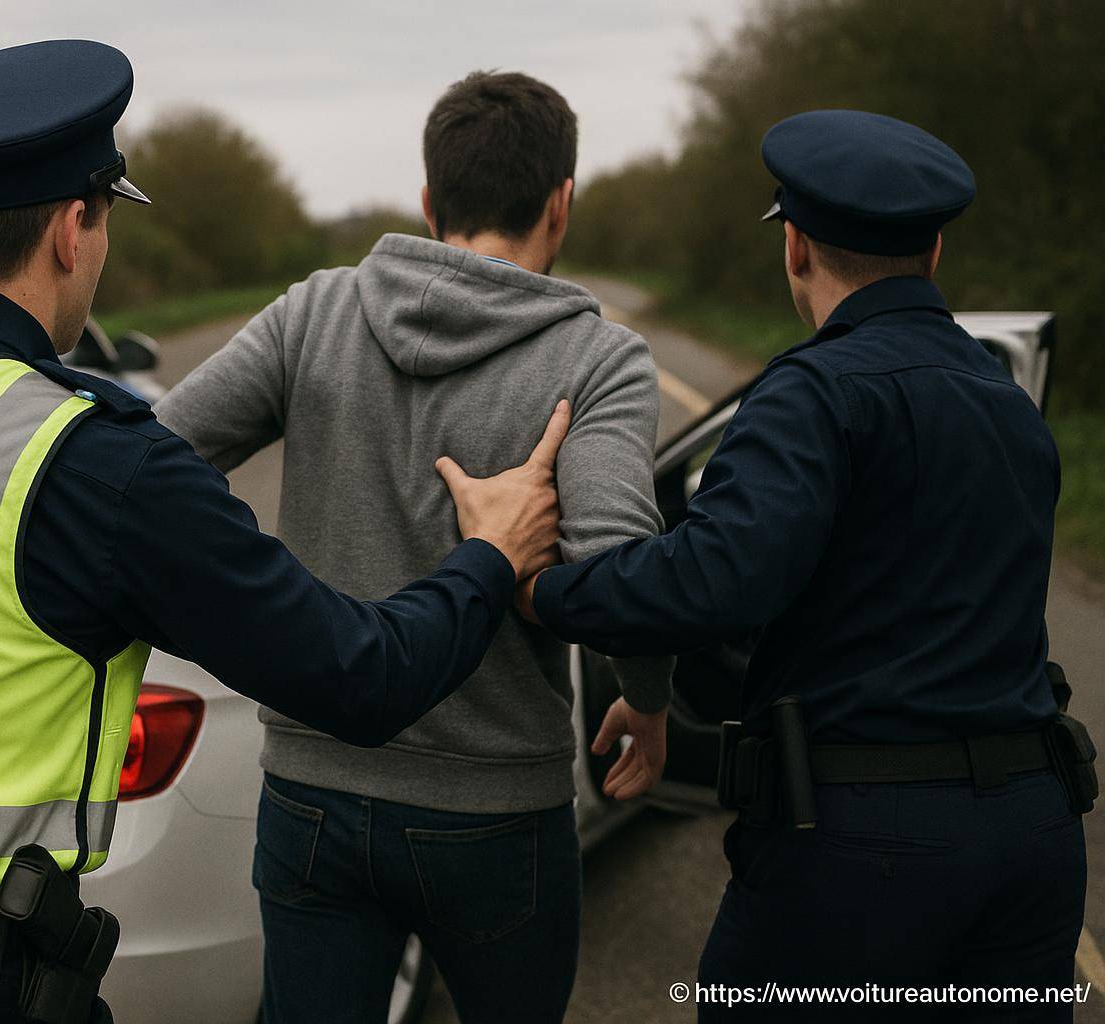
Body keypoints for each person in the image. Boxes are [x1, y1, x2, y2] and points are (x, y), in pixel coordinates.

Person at [0, 41, 568, 1024]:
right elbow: (360, 676)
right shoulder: (91, 463)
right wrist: (490, 553)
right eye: (103, 224)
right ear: (71, 229)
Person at [441, 109, 1090, 1020]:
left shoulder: (813, 394)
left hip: (864, 854)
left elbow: (712, 581)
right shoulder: (1008, 405)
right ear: (935, 251)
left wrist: (538, 585)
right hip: (1033, 838)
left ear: (795, 249)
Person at [155, 70, 673, 1024]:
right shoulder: (596, 360)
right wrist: (646, 697)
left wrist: (251, 584)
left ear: (431, 200)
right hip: (497, 812)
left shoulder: (313, 313)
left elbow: (154, 459)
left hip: (310, 791)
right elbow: (619, 580)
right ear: (562, 203)